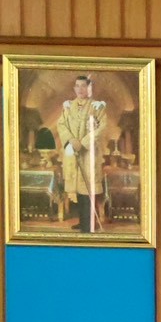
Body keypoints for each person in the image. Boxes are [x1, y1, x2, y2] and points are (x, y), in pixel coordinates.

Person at [55, 74, 107, 233]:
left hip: (88, 153)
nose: (80, 89)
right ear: (74, 88)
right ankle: (83, 221)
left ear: (89, 88)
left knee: (87, 188)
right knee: (77, 189)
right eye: (77, 86)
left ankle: (89, 224)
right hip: (73, 153)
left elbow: (101, 128)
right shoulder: (68, 106)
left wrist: (82, 143)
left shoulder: (97, 107)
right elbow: (61, 124)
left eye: (83, 86)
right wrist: (71, 140)